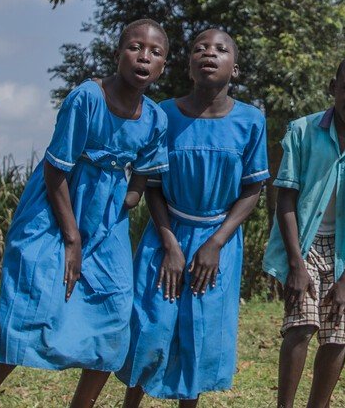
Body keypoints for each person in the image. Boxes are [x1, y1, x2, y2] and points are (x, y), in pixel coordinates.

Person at [0, 21, 170, 407]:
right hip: (55, 209)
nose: (144, 57)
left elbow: (146, 166)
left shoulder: (155, 117)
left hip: (107, 222)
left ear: (163, 65)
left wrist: (128, 197)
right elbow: (55, 168)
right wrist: (72, 237)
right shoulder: (87, 98)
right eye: (134, 47)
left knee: (114, 313)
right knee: (36, 302)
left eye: (155, 52)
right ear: (117, 54)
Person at [117, 28, 269, 406]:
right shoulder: (164, 114)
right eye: (200, 48)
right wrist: (168, 243)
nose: (209, 53)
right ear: (188, 66)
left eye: (220, 49)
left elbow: (252, 189)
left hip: (218, 242)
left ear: (234, 69)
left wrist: (215, 243)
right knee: (150, 325)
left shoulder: (251, 120)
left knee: (198, 331)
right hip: (165, 235)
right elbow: (151, 184)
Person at [261, 54, 345, 408]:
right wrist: (296, 263)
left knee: (338, 336)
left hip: (344, 246)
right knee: (301, 326)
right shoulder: (302, 131)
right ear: (333, 88)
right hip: (302, 241)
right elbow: (285, 199)